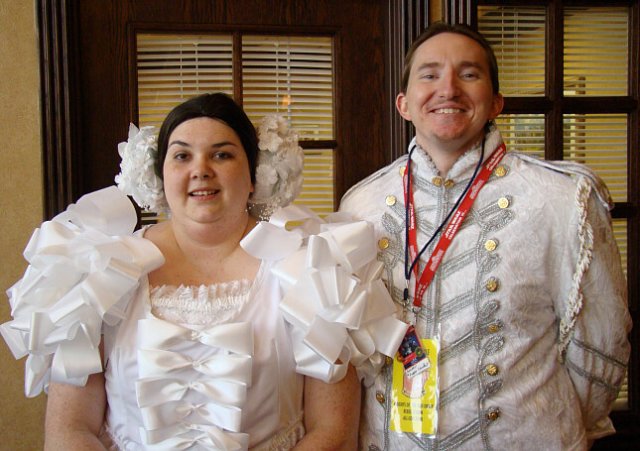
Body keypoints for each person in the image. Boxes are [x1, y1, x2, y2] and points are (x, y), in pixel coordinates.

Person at [2, 93, 406, 449]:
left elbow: (333, 433)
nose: (201, 169)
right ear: (160, 175)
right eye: (182, 156)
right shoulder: (97, 271)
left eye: (222, 154)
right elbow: (70, 430)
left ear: (254, 175)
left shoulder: (311, 269)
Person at [339, 22, 631, 450]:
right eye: (430, 74)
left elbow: (601, 347)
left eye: (469, 73)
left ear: (495, 102)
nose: (448, 89)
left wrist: (550, 423)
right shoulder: (359, 204)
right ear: (404, 104)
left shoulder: (563, 199)